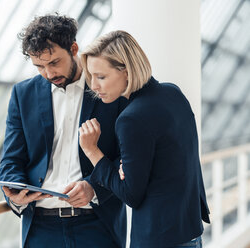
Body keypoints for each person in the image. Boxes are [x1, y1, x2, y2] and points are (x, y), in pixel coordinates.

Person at [0, 15, 127, 248]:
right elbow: (10, 160)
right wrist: (15, 192)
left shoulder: (108, 89)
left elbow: (126, 157)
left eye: (54, 62)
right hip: (40, 229)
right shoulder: (22, 94)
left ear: (74, 48)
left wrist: (93, 187)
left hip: (98, 225)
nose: (48, 73)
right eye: (39, 66)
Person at [78, 30, 210, 248]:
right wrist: (124, 169)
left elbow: (130, 194)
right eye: (91, 76)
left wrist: (92, 151)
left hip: (159, 239)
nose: (93, 86)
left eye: (101, 77)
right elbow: (171, 159)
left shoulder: (131, 119)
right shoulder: (173, 93)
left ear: (127, 72)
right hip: (190, 230)